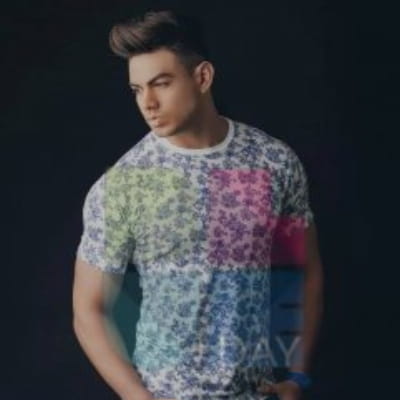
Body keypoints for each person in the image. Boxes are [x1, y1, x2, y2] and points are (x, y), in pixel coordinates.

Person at [72, 9, 324, 400]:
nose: (147, 103)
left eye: (161, 84)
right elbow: (89, 310)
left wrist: (298, 376)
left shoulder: (272, 162)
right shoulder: (125, 184)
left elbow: (303, 272)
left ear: (202, 77)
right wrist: (138, 397)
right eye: (137, 89)